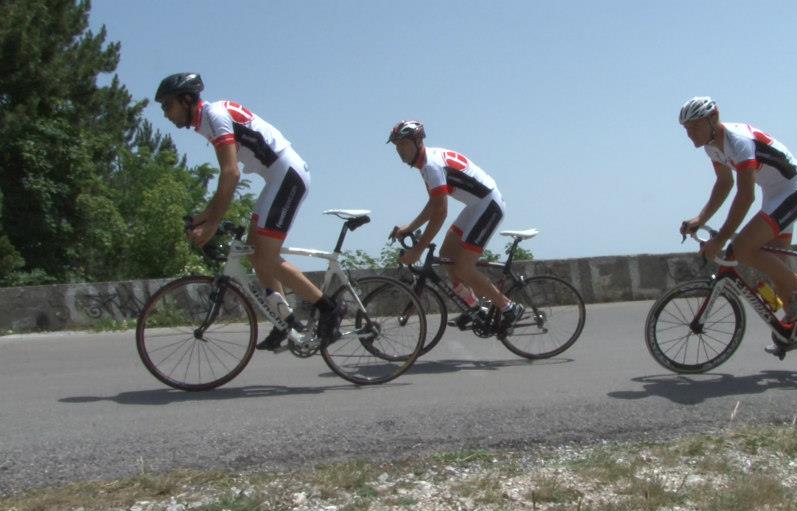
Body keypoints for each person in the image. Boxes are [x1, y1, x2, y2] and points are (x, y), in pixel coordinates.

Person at [155, 72, 343, 350]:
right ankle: (286, 322)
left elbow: (231, 174)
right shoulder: (208, 120)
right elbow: (228, 178)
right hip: (278, 177)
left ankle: (329, 309)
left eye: (167, 105)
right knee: (256, 254)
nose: (165, 113)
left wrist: (211, 223)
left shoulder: (214, 116)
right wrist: (204, 216)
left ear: (186, 100)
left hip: (287, 176)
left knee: (266, 256)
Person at [678, 96, 797, 327]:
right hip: (773, 195)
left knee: (741, 248)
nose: (690, 134)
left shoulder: (739, 142)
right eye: (686, 129)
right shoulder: (712, 147)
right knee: (778, 273)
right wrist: (701, 218)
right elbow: (724, 183)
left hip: (793, 192)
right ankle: (794, 334)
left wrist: (720, 240)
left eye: (694, 126)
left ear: (713, 118)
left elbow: (745, 196)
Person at [386, 120, 524, 331]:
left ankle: (509, 308)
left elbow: (440, 213)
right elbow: (434, 204)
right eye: (397, 146)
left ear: (418, 141)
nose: (399, 151)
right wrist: (410, 228)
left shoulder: (431, 166)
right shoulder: (425, 164)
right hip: (477, 205)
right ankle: (474, 308)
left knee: (464, 267)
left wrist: (418, 250)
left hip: (489, 205)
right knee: (446, 255)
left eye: (403, 144)